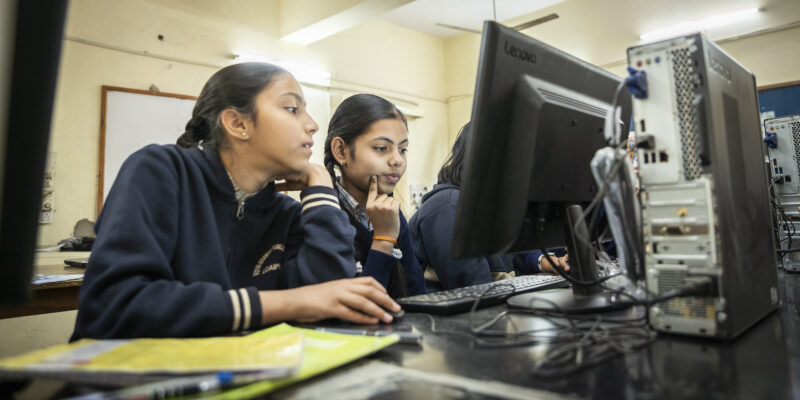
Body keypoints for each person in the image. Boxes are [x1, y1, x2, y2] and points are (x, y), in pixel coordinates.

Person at [71, 63, 400, 340]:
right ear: (238, 123)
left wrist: (321, 188)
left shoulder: (285, 213)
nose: (312, 124)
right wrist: (291, 302)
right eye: (291, 108)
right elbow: (115, 307)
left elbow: (331, 300)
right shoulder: (161, 171)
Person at [409, 123, 569, 292]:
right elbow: (475, 290)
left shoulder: (487, 206)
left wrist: (546, 263)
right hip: (458, 315)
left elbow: (510, 256)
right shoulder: (449, 207)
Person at [323, 94, 425, 298]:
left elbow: (418, 295)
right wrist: (384, 238)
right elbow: (356, 312)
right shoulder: (323, 218)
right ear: (341, 150)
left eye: (403, 149)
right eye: (381, 148)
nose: (397, 160)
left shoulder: (392, 214)